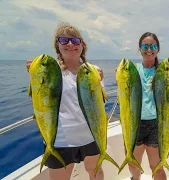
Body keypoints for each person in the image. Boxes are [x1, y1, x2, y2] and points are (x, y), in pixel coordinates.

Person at [26, 22, 105, 180]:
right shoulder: (49, 70)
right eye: (64, 40)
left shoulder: (93, 71)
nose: (70, 44)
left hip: (91, 135)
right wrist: (35, 71)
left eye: (75, 41)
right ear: (57, 46)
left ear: (82, 45)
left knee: (96, 173)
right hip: (60, 139)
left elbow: (98, 105)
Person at [127, 32, 169, 180]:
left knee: (156, 167)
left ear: (158, 49)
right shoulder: (132, 70)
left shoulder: (164, 71)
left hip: (156, 124)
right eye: (145, 46)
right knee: (132, 164)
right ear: (139, 48)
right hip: (135, 123)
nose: (149, 49)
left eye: (153, 46)